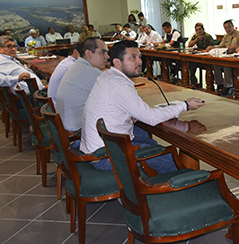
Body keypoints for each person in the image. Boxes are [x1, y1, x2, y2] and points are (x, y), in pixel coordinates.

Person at [80, 40, 204, 173]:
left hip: (100, 148)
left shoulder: (108, 76)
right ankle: (178, 186)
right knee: (175, 163)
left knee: (153, 144)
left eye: (139, 57)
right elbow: (151, 118)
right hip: (106, 156)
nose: (139, 62)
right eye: (133, 57)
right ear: (117, 62)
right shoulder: (119, 84)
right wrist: (184, 105)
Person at [56, 38, 109, 132]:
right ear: (88, 53)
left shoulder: (78, 65)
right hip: (78, 133)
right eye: (102, 52)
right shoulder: (92, 72)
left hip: (65, 128)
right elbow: (117, 100)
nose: (107, 57)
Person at [207, 20, 239, 96]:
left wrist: (234, 47)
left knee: (226, 65)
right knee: (216, 65)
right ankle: (220, 84)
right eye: (225, 28)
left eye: (229, 27)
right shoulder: (226, 36)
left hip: (236, 58)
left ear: (233, 26)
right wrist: (212, 47)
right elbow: (221, 46)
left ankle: (229, 87)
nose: (228, 29)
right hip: (227, 56)